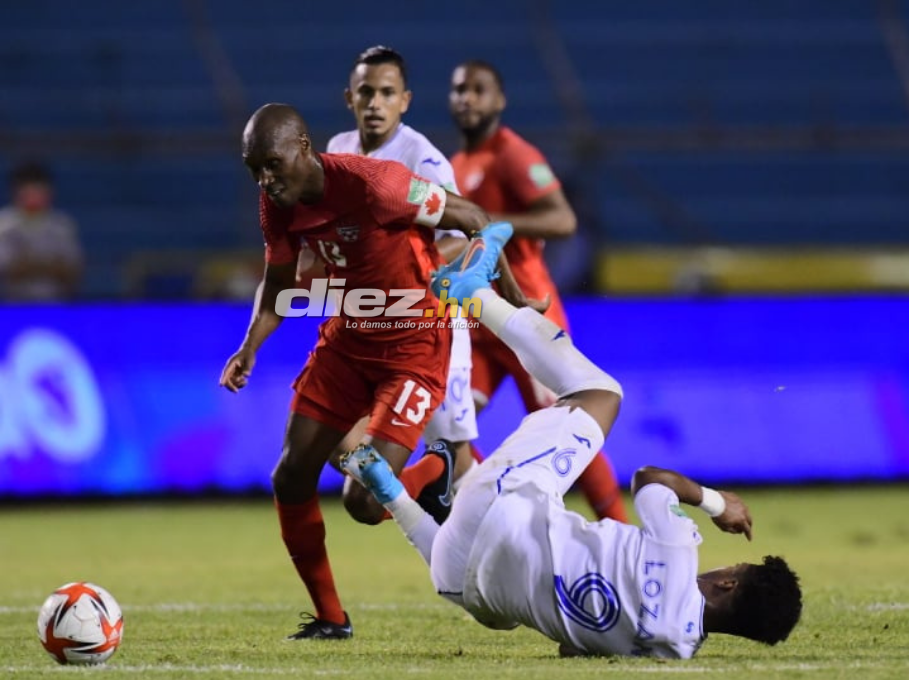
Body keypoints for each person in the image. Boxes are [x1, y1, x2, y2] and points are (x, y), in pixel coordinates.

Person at [340, 226, 803, 657]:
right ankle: (390, 492)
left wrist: (718, 504)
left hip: (501, 503)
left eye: (730, 572)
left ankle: (472, 294)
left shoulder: (679, 547)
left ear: (728, 586)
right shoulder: (667, 649)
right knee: (491, 601)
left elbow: (651, 481)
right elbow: (571, 648)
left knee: (602, 395)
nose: (720, 570)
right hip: (459, 579)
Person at [219, 103, 507, 640]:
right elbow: (280, 286)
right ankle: (331, 617)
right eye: (254, 167)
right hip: (347, 344)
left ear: (304, 147)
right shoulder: (274, 203)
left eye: (273, 164)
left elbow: (473, 218)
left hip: (414, 347)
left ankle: (436, 473)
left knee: (364, 501)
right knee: (291, 475)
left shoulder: (380, 186)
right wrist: (249, 347)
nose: (265, 178)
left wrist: (508, 297)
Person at [448, 59, 628, 523]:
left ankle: (628, 539)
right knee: (450, 428)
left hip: (524, 318)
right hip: (479, 323)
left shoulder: (514, 154)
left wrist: (494, 227)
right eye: (459, 89)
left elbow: (563, 219)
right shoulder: (457, 164)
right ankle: (496, 520)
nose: (466, 97)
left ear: (499, 100)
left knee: (571, 431)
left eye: (478, 89)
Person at [325, 45, 478, 484]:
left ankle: (488, 532)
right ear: (349, 98)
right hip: (370, 326)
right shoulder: (339, 150)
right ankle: (416, 501)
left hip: (431, 329)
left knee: (454, 455)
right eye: (366, 92)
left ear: (404, 100)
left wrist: (403, 270)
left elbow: (464, 237)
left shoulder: (422, 161)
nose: (376, 103)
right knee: (338, 435)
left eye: (387, 93)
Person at [0, 162, 83, 301]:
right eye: (28, 191)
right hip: (11, 305)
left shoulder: (62, 225)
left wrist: (29, 266)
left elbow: (72, 271)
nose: (34, 196)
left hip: (54, 303)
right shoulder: (4, 223)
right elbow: (7, 269)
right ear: (17, 192)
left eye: (39, 190)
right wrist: (48, 266)